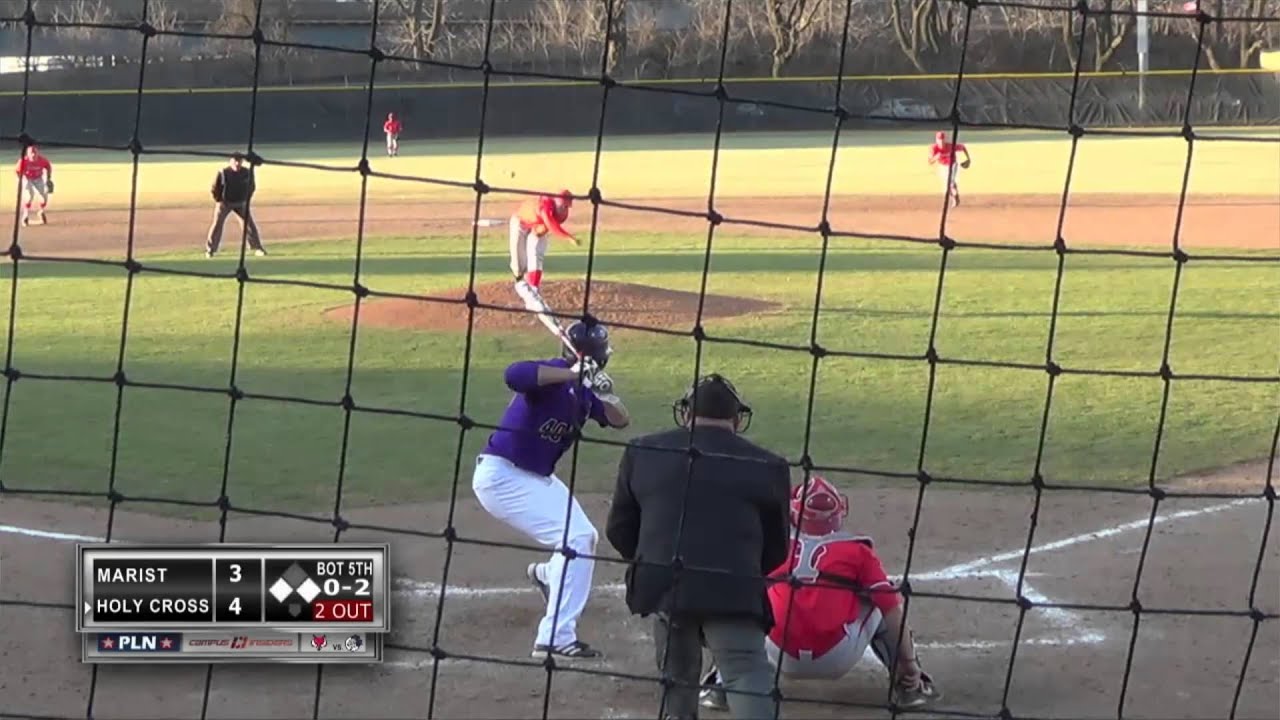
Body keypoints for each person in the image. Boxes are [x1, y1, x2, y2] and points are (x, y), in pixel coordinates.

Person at [606, 374, 791, 720]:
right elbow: (777, 549)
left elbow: (619, 530)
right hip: (733, 585)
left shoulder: (643, 451)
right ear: (737, 419)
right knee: (744, 670)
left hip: (664, 583)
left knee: (677, 675)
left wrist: (656, 560)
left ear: (686, 413)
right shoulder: (768, 465)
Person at [699, 475, 942, 712]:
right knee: (881, 601)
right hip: (838, 657)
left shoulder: (774, 544)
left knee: (747, 598)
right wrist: (909, 663)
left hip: (779, 653)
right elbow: (892, 611)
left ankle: (721, 684)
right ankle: (910, 687)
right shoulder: (857, 551)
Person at [471, 320, 630, 660]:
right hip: (503, 476)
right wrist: (571, 374)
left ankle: (548, 575)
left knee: (583, 537)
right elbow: (514, 374)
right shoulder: (554, 375)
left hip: (537, 478)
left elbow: (621, 420)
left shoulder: (585, 391)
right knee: (577, 539)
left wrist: (605, 394)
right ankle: (555, 638)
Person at [510, 190, 578, 310]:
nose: (565, 208)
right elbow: (551, 225)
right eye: (563, 205)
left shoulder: (562, 214)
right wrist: (568, 237)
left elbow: (543, 229)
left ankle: (533, 293)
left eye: (567, 206)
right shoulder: (545, 205)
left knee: (537, 254)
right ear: (557, 202)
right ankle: (521, 285)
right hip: (521, 222)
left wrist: (538, 232)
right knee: (518, 265)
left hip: (539, 225)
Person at [206, 152, 266, 258]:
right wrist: (219, 199)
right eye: (235, 161)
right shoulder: (223, 173)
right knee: (217, 225)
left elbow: (251, 186)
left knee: (249, 225)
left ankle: (257, 248)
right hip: (225, 203)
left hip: (240, 203)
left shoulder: (246, 172)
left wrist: (246, 199)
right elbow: (215, 187)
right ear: (231, 162)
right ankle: (210, 250)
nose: (237, 164)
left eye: (239, 161)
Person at [927, 130, 971, 208]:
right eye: (939, 140)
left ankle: (955, 197)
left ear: (944, 140)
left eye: (942, 139)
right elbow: (930, 162)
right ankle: (955, 197)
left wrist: (968, 158)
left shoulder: (950, 146)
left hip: (952, 165)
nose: (941, 142)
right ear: (936, 140)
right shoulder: (933, 148)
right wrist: (935, 157)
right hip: (942, 166)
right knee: (947, 187)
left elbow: (963, 147)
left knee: (951, 183)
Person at [14, 144, 52, 227]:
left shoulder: (42, 160)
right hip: (27, 178)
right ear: (28, 154)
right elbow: (17, 171)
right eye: (31, 153)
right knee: (30, 196)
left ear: (38, 153)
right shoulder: (23, 161)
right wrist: (20, 179)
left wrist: (48, 178)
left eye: (35, 153)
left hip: (38, 179)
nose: (33, 155)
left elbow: (48, 167)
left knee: (44, 195)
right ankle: (25, 215)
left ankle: (41, 212)